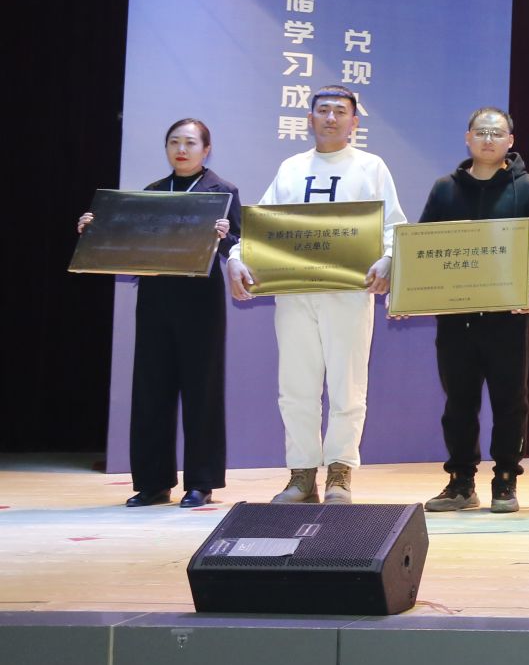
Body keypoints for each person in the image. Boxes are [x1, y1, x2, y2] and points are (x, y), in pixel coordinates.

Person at [226, 85, 405, 505]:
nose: (330, 118)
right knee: (296, 385)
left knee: (347, 385)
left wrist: (389, 259)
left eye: (340, 111)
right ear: (309, 119)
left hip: (349, 292)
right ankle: (302, 474)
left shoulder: (371, 167)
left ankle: (340, 473)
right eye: (322, 110)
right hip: (295, 292)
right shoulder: (291, 168)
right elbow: (263, 225)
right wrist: (236, 257)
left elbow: (393, 226)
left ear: (354, 121)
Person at [78, 118, 240, 508]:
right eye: (174, 142)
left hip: (201, 301)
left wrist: (225, 237)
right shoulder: (153, 191)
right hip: (155, 297)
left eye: (190, 143)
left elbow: (240, 244)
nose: (181, 149)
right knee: (152, 389)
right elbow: (129, 241)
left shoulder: (223, 191)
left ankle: (201, 482)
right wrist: (94, 229)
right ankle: (152, 483)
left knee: (202, 391)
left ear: (206, 149)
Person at [412, 108, 529, 515]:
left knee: (510, 401)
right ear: (468, 138)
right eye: (481, 132)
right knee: (458, 401)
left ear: (510, 141)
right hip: (456, 317)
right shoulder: (445, 189)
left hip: (507, 315)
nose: (489, 139)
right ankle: (460, 482)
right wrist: (411, 292)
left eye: (497, 133)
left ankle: (505, 479)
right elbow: (421, 245)